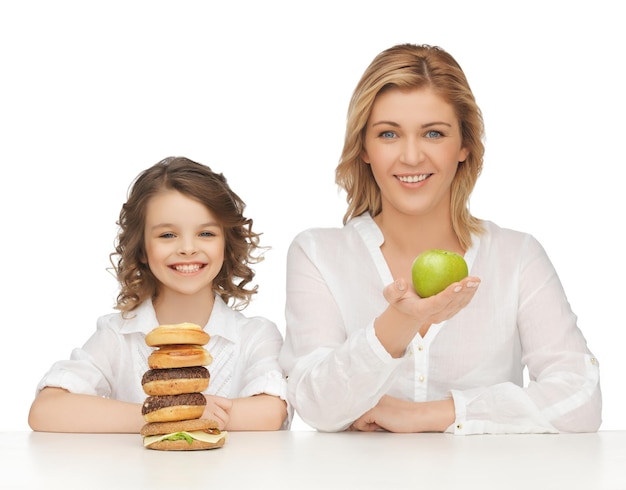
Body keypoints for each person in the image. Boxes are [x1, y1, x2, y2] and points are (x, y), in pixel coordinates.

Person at [278, 44, 602, 434]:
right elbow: (315, 405)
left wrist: (429, 415)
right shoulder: (317, 254)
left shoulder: (517, 256)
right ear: (364, 148)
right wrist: (400, 321)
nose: (412, 157)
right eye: (388, 134)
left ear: (464, 145)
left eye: (433, 133)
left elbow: (580, 397)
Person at [29, 156, 290, 432]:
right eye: (167, 235)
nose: (188, 248)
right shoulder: (118, 336)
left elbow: (271, 412)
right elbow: (46, 410)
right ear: (141, 248)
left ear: (227, 244)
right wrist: (161, 413)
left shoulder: (254, 336)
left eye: (206, 233)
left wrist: (188, 412)